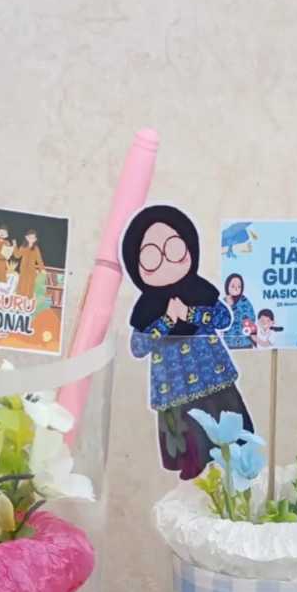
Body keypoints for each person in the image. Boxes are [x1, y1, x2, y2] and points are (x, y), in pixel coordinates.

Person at [121, 204, 254, 480]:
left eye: (174, 249)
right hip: (175, 386)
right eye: (150, 257)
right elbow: (138, 347)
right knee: (191, 441)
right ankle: (193, 464)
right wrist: (167, 321)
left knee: (230, 432)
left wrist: (190, 314)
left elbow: (223, 318)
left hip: (213, 376)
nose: (166, 261)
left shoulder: (201, 290)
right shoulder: (145, 309)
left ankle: (238, 467)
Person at [221, 273, 255, 350]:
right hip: (229, 343)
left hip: (245, 342)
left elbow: (251, 318)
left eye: (239, 286)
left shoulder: (245, 301)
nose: (236, 289)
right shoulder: (223, 303)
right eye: (233, 286)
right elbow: (220, 321)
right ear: (227, 287)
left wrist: (233, 306)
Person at [16, 229, 46, 300]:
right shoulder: (23, 247)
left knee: (30, 285)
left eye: (33, 238)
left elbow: (39, 259)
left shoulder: (36, 248)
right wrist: (15, 247)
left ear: (35, 239)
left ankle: (28, 300)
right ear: (26, 238)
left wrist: (42, 269)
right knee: (22, 284)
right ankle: (20, 299)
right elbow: (17, 255)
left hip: (31, 270)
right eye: (30, 237)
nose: (31, 239)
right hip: (23, 269)